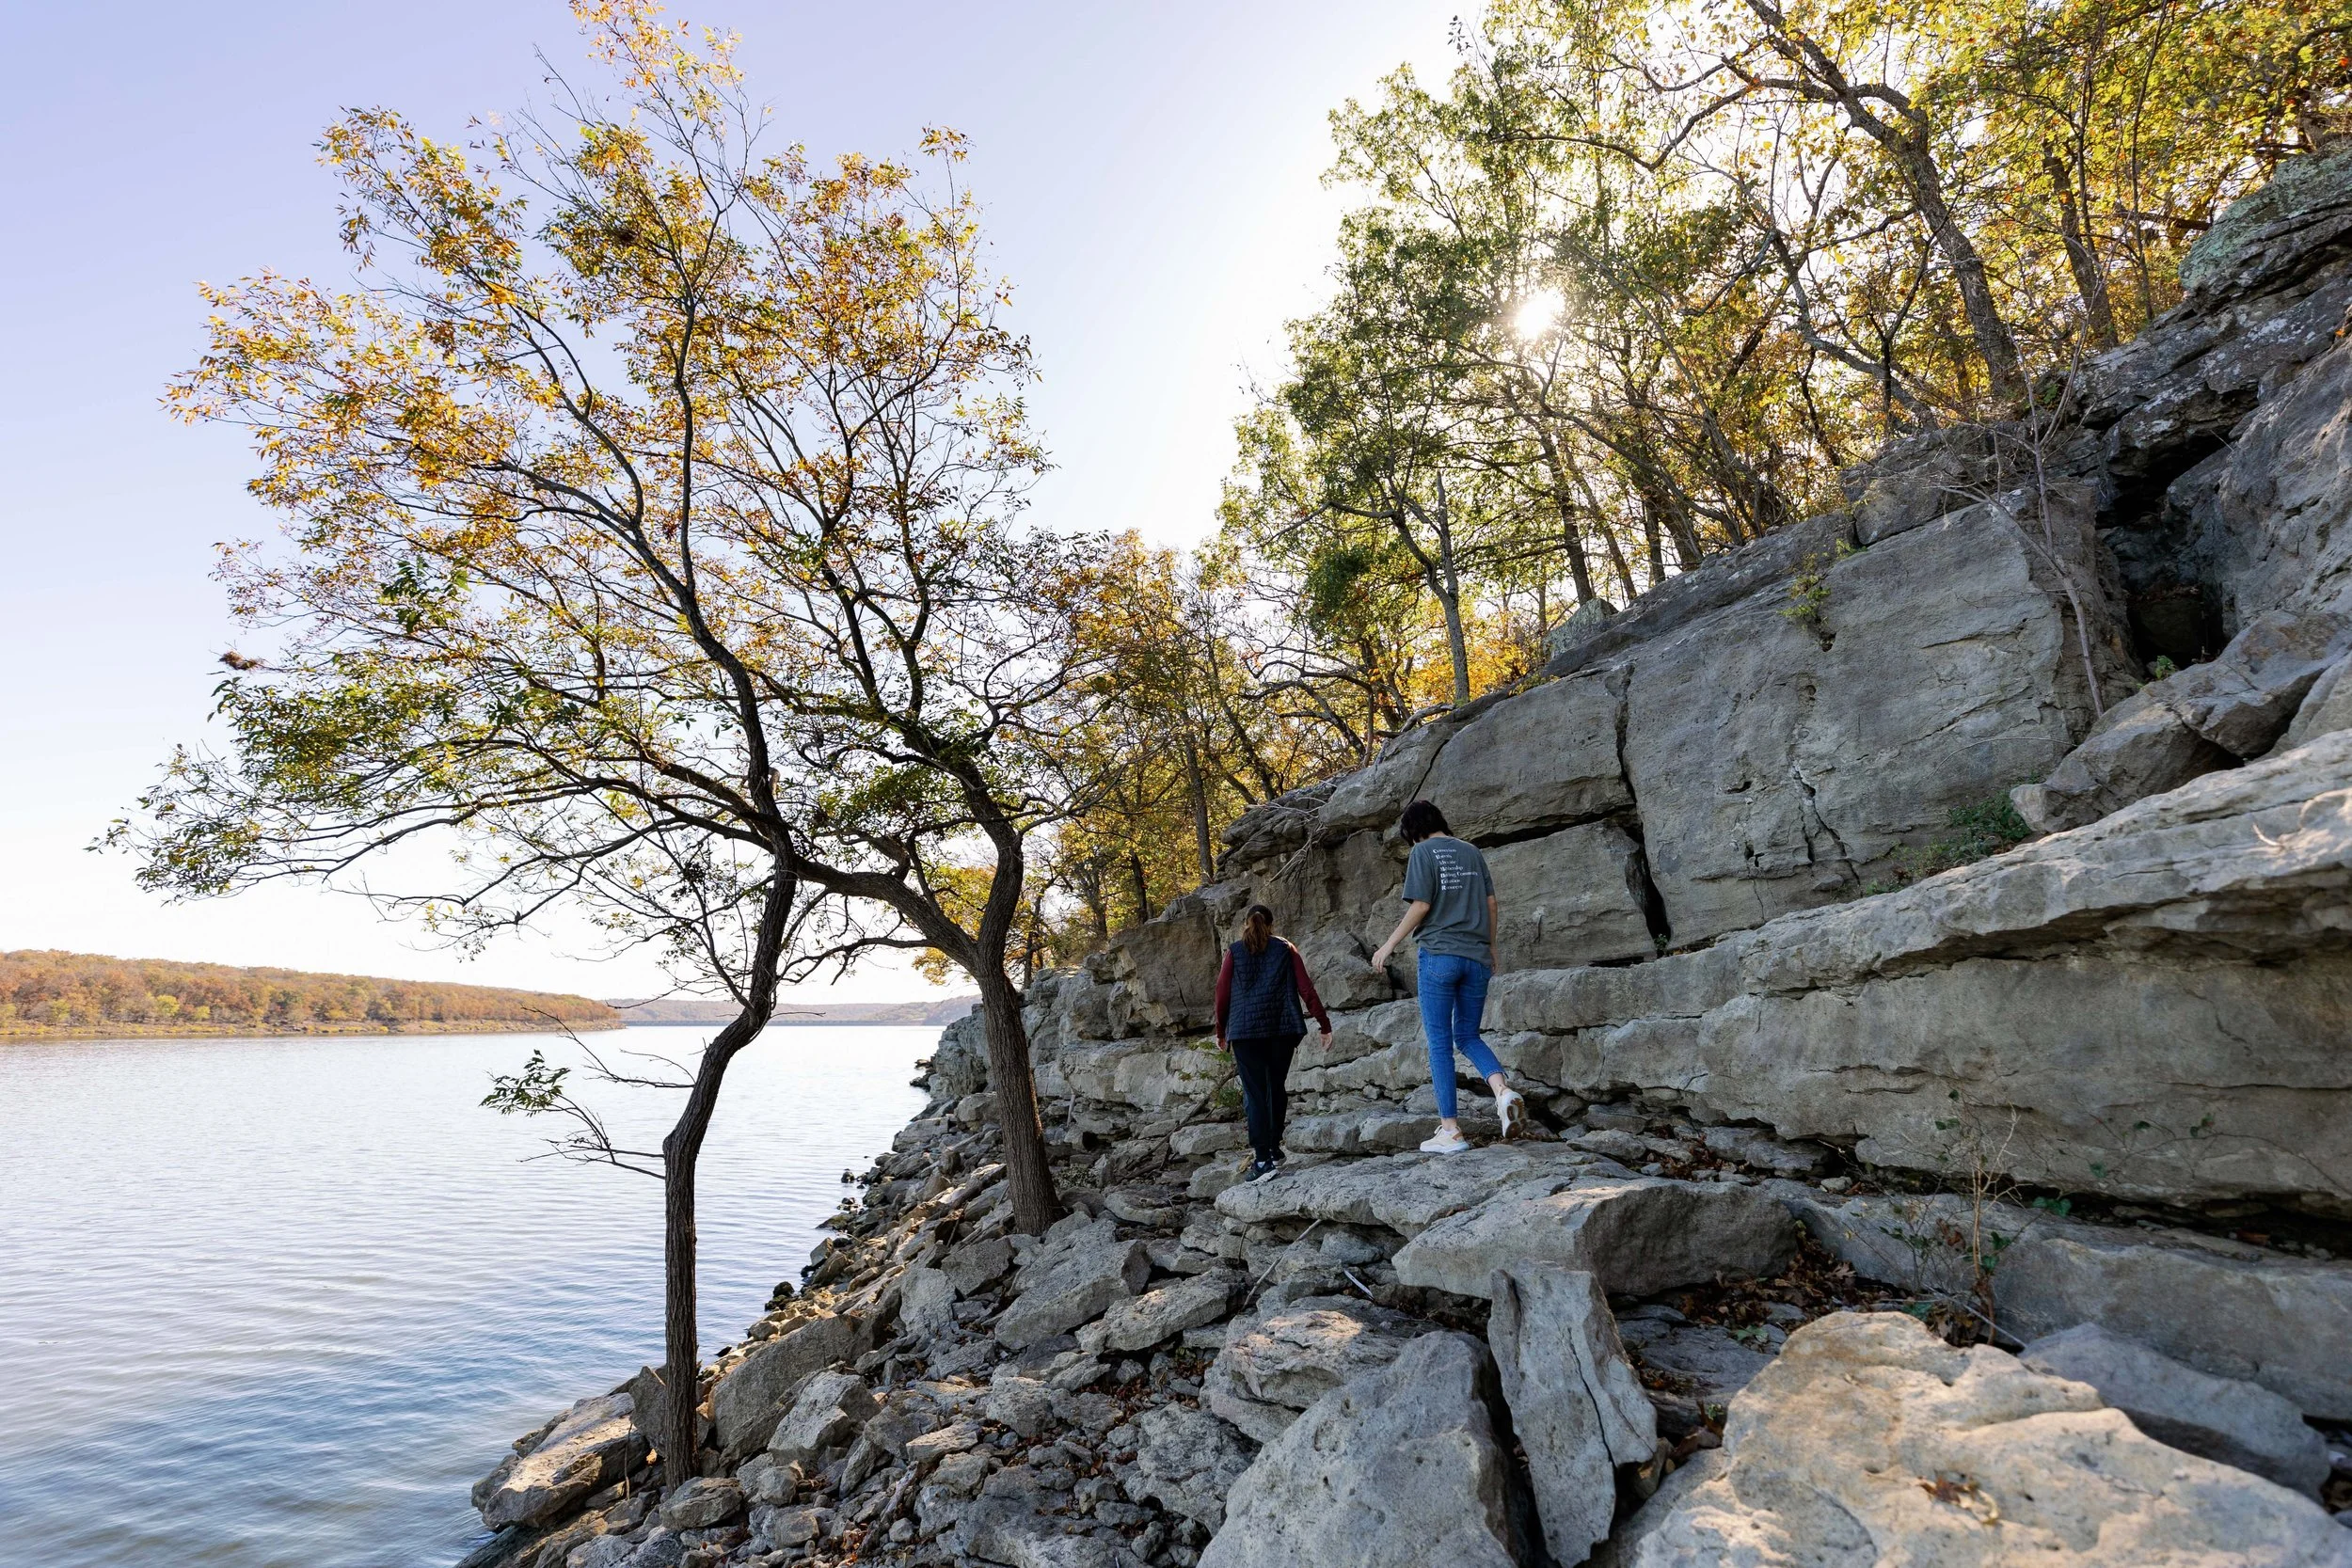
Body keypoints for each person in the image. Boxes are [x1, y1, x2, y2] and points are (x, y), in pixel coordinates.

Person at [1370, 799, 1531, 1154]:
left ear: (1414, 831)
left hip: (1440, 956)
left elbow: (1421, 905)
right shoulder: (1471, 852)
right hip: (1476, 958)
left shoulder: (1422, 853)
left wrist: (1388, 946)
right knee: (1469, 1036)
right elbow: (1491, 904)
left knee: (1440, 1042)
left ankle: (1451, 1131)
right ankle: (1503, 1093)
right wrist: (1491, 948)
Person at [1213, 903, 1331, 1182]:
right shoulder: (1285, 948)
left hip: (1245, 1032)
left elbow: (1221, 992)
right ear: (1271, 925)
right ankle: (1274, 1147)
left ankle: (1263, 1159)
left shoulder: (1235, 951)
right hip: (1281, 1029)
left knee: (1255, 1094)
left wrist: (1221, 1030)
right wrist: (1323, 1024)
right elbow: (1306, 988)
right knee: (1275, 1087)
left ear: (1246, 924)